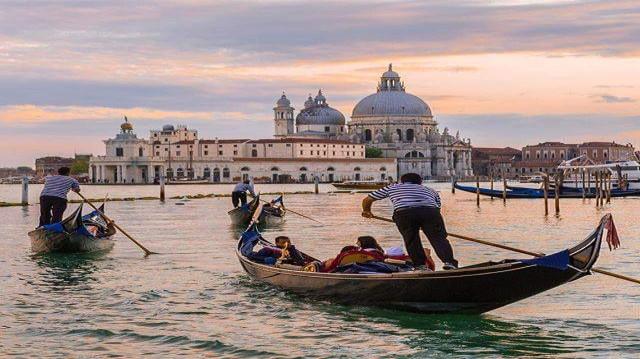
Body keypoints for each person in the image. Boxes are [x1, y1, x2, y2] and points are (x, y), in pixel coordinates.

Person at [361, 172, 458, 270]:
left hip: (404, 214)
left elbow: (367, 199)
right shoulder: (430, 190)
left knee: (411, 240)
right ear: (420, 182)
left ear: (402, 181)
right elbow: (437, 208)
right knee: (438, 239)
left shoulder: (393, 187)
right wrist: (425, 224)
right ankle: (449, 262)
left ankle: (420, 266)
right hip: (431, 213)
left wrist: (366, 211)